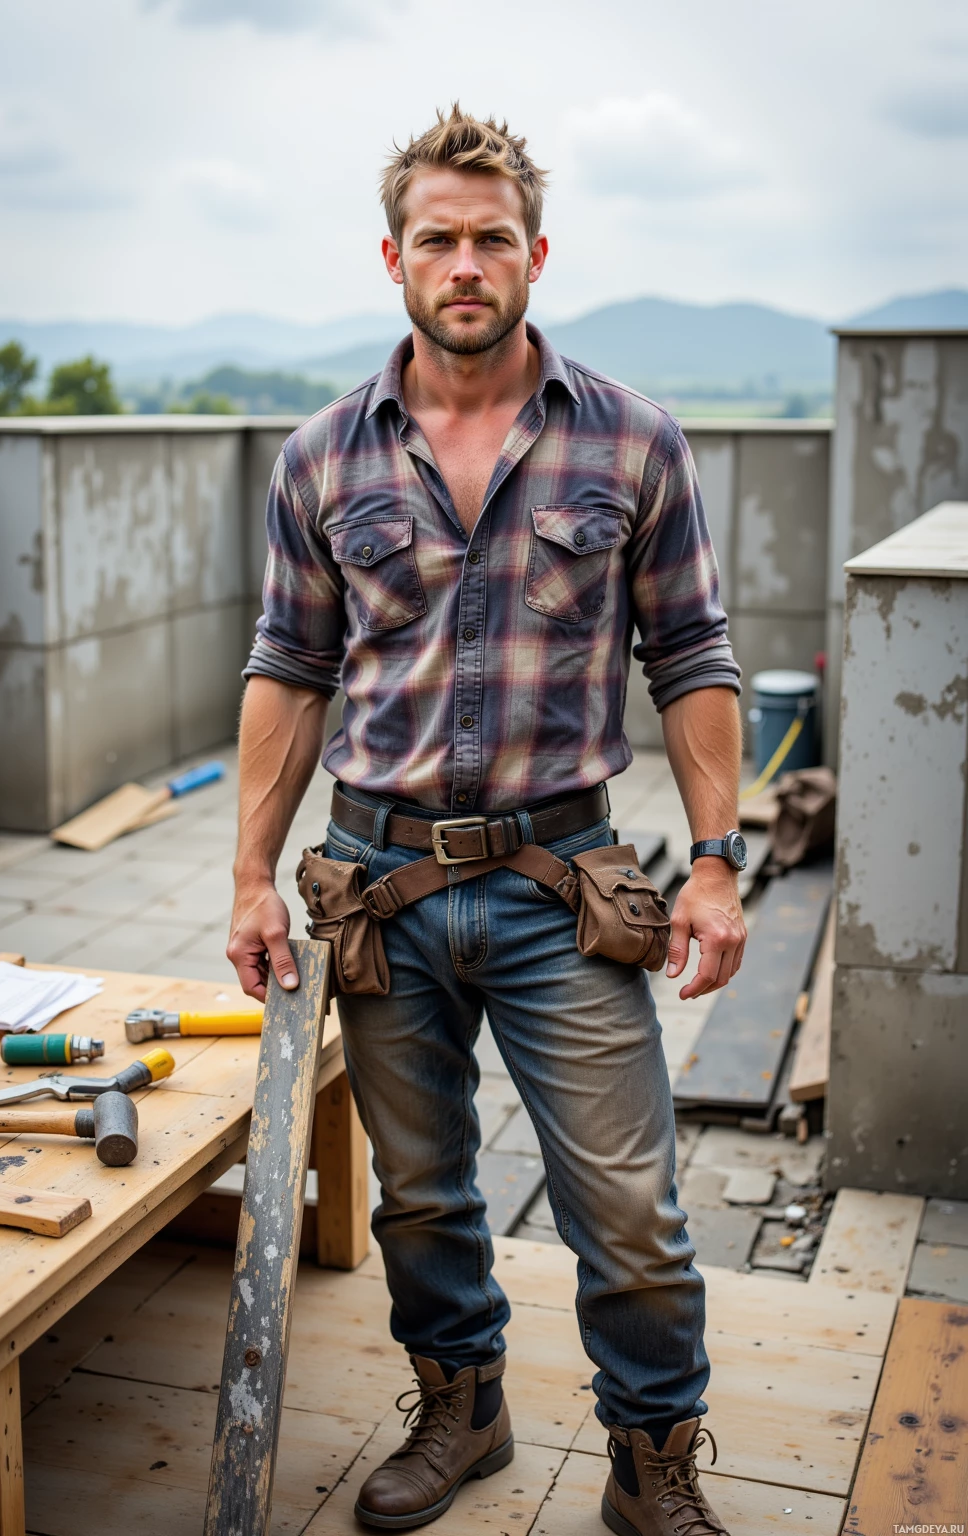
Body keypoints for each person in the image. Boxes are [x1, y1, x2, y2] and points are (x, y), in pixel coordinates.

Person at [229, 104, 746, 1536]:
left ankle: (653, 1467)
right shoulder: (323, 456)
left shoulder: (632, 440)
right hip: (379, 881)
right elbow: (291, 670)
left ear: (537, 256)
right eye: (440, 239)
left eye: (493, 238)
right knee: (420, 1196)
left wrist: (714, 863)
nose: (468, 262)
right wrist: (250, 878)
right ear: (395, 257)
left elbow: (693, 656)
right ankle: (464, 1406)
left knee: (630, 1212)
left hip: (561, 877)